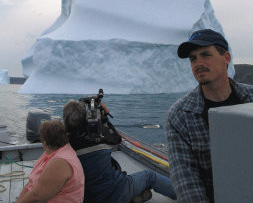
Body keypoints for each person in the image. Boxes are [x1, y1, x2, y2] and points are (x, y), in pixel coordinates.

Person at [166, 28, 253, 203]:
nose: (198, 63)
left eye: (206, 55)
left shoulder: (251, 98)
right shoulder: (179, 116)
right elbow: (186, 182)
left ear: (226, 58)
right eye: (193, 58)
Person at [63, 100, 177, 203]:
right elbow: (117, 139)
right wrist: (104, 117)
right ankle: (189, 196)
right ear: (86, 119)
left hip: (88, 198)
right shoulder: (99, 137)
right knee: (150, 177)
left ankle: (134, 197)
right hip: (116, 193)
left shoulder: (64, 144)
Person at [16, 120, 84, 203]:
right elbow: (30, 184)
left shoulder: (60, 163)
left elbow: (37, 196)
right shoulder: (52, 152)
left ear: (44, 142)